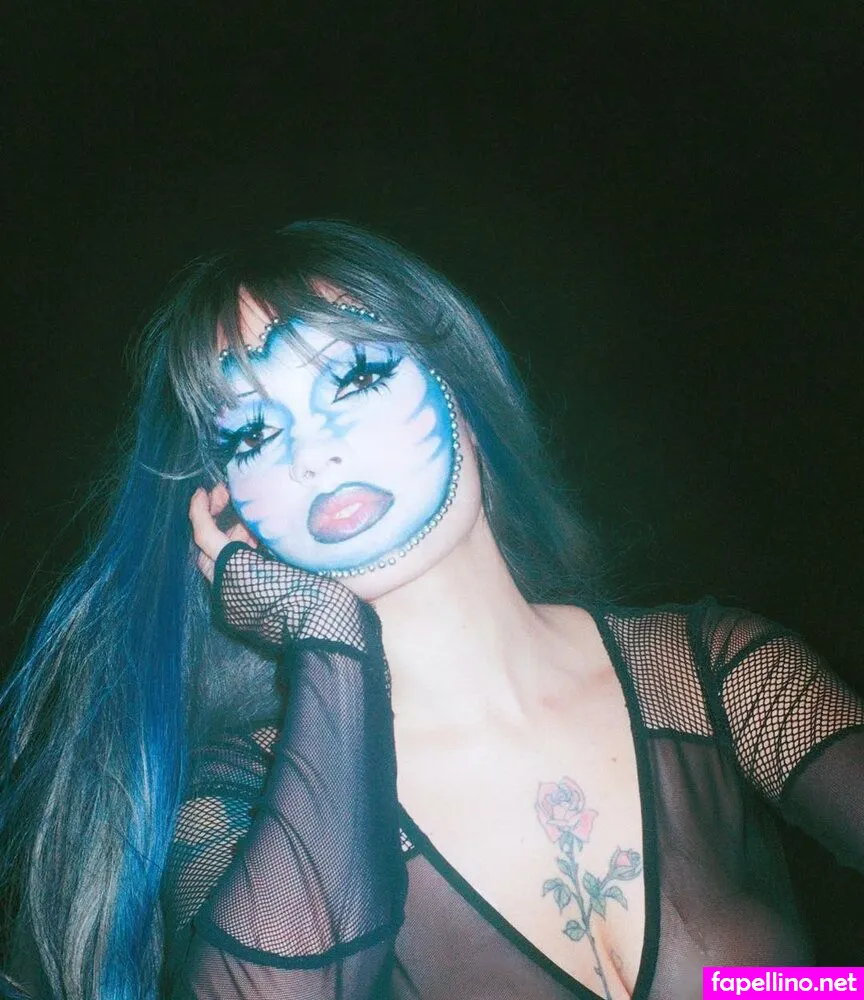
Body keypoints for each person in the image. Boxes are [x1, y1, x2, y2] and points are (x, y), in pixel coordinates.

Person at [1, 220, 862, 1000]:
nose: (312, 452)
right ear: (228, 515)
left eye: (356, 377)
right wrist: (325, 636)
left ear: (467, 403)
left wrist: (781, 990)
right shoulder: (242, 803)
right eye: (254, 434)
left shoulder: (721, 674)